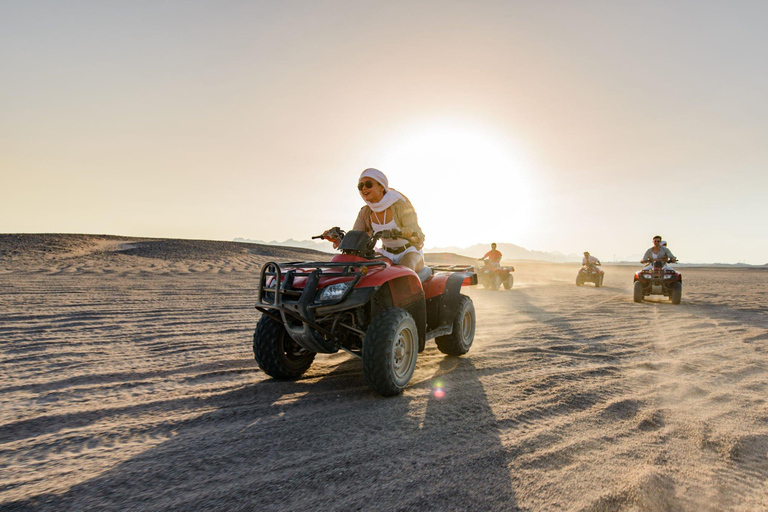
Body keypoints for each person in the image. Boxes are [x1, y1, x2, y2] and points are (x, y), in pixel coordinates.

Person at [323, 168, 425, 272]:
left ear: (381, 186)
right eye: (360, 186)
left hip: (408, 251)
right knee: (364, 272)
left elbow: (419, 237)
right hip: (385, 253)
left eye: (368, 184)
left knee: (404, 271)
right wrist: (337, 239)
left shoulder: (400, 205)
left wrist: (409, 232)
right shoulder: (365, 212)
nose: (364, 188)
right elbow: (356, 238)